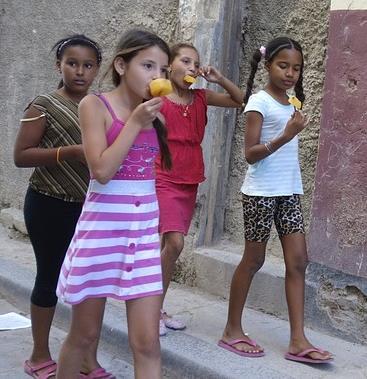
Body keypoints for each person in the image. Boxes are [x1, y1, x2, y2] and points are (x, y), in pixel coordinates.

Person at [55, 29, 172, 379]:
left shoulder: (158, 117)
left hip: (142, 240)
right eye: (148, 65)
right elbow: (101, 170)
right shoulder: (95, 105)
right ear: (121, 65)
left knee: (148, 342)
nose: (157, 77)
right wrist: (135, 122)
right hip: (102, 237)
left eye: (163, 70)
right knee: (85, 335)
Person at [218, 37, 333, 363]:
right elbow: (251, 154)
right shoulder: (259, 102)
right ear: (268, 65)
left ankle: (298, 340)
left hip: (289, 192)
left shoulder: (292, 104)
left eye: (296, 68)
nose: (290, 73)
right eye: (283, 66)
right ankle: (231, 330)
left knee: (298, 262)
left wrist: (290, 128)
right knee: (253, 261)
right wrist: (286, 135)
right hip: (260, 195)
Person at [13, 35, 110, 378]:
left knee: (91, 285)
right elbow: (20, 156)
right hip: (48, 204)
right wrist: (69, 152)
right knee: (50, 277)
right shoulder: (44, 104)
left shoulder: (101, 105)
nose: (80, 72)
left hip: (89, 208)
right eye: (72, 63)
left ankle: (86, 358)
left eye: (88, 65)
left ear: (98, 69)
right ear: (59, 66)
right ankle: (39, 355)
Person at [155, 43, 244, 336]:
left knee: (166, 248)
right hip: (162, 176)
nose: (193, 67)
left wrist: (218, 78)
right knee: (176, 243)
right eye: (185, 61)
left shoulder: (202, 97)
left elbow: (240, 100)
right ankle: (149, 310)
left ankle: (155, 309)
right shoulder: (157, 95)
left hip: (189, 179)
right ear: (169, 65)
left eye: (196, 63)